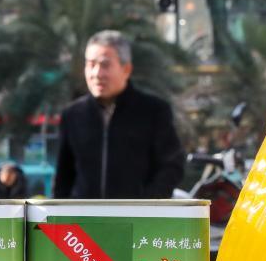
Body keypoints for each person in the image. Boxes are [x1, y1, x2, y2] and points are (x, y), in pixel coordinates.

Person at [53, 30, 185, 199]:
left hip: (137, 214)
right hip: (84, 214)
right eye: (91, 64)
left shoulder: (154, 111)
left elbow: (172, 165)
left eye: (105, 65)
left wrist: (148, 203)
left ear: (126, 69)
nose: (96, 74)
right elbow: (63, 177)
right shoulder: (72, 115)